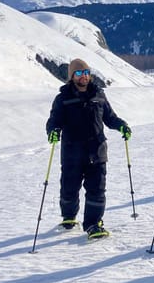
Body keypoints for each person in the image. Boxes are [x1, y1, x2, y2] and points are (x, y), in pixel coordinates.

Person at [45, 58, 131, 240]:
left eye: (86, 73)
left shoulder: (99, 95)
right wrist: (53, 131)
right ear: (72, 76)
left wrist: (122, 126)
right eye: (79, 73)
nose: (83, 76)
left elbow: (110, 117)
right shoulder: (63, 98)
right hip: (72, 152)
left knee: (97, 189)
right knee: (69, 188)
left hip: (97, 150)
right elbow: (54, 121)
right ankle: (69, 216)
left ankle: (93, 224)